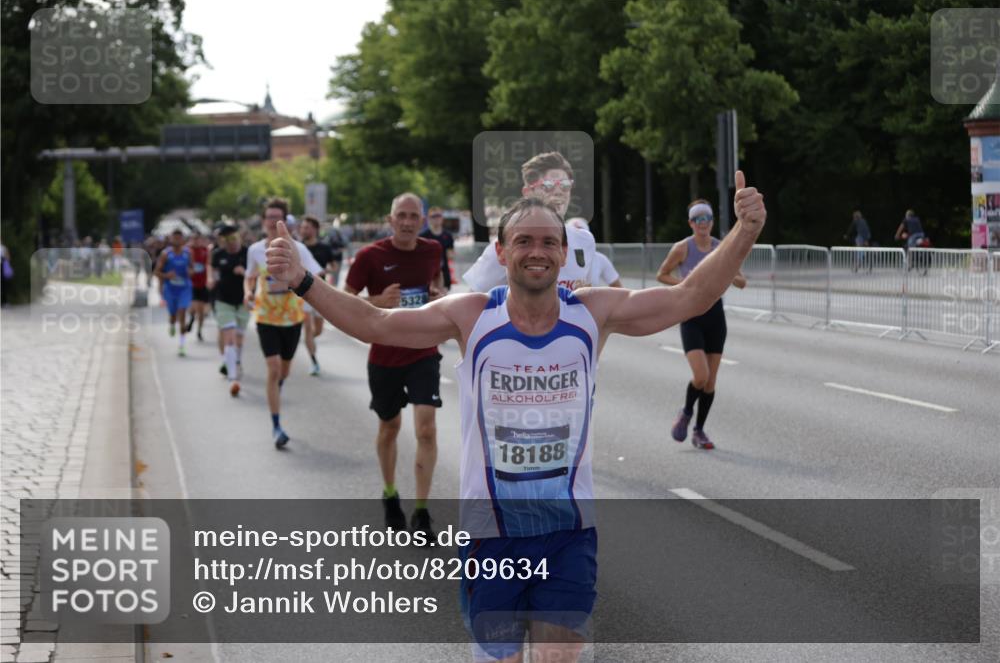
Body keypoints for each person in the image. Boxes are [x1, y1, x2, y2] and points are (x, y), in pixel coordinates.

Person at [265, 172, 767, 663]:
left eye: (548, 241)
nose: (536, 251)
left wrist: (745, 232)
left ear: (564, 253)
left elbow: (689, 297)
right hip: (491, 535)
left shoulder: (591, 313)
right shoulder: (471, 316)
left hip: (568, 533)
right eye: (523, 241)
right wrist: (303, 281)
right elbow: (374, 323)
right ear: (502, 252)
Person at [345, 193, 445, 536]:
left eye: (413, 216)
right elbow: (344, 300)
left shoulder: (433, 250)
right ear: (390, 220)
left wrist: (438, 296)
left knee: (426, 429)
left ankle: (422, 512)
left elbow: (438, 283)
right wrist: (377, 301)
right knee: (389, 427)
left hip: (423, 351)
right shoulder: (370, 256)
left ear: (422, 221)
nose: (407, 222)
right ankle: (390, 495)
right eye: (401, 215)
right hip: (385, 356)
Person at [656, 199, 746, 450]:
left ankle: (699, 431)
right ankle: (686, 412)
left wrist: (732, 275)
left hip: (715, 317)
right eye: (697, 219)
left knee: (710, 382)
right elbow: (662, 274)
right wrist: (686, 286)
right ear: (691, 223)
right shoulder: (682, 248)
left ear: (712, 222)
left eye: (706, 218)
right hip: (691, 316)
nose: (702, 223)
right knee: (700, 375)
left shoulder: (721, 248)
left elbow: (741, 280)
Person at [244, 198, 323, 447]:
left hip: (292, 318)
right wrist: (248, 292)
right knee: (274, 368)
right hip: (265, 316)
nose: (272, 221)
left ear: (285, 221)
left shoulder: (297, 249)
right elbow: (250, 276)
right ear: (263, 221)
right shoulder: (255, 250)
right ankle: (276, 426)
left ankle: (274, 391)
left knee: (284, 371)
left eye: (277, 217)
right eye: (268, 217)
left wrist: (295, 283)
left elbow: (317, 275)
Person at [463, 151, 599, 292]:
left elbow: (588, 294)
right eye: (548, 185)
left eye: (565, 185)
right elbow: (473, 298)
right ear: (527, 192)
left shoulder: (585, 240)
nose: (559, 192)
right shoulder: (508, 243)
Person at [209, 225, 249, 397]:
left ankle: (234, 361)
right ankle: (233, 378)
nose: (231, 242)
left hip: (243, 301)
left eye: (233, 238)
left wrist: (244, 272)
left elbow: (257, 275)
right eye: (226, 239)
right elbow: (213, 270)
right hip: (223, 300)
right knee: (230, 338)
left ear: (239, 237)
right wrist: (211, 279)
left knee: (239, 339)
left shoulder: (248, 253)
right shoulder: (218, 254)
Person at [298, 215, 338, 376]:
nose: (303, 230)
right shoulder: (298, 248)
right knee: (308, 328)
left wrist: (326, 271)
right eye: (302, 227)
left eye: (306, 227)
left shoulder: (324, 247)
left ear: (315, 229)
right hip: (303, 293)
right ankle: (314, 362)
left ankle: (308, 340)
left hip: (320, 292)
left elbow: (334, 266)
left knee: (318, 330)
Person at [153, 229, 194, 356]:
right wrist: (167, 275)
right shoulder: (166, 254)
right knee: (173, 315)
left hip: (184, 289)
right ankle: (171, 324)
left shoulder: (188, 253)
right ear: (171, 239)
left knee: (182, 313)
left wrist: (190, 272)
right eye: (174, 238)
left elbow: (192, 269)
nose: (177, 240)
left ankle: (182, 345)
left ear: (182, 239)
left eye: (179, 238)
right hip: (170, 289)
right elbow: (156, 272)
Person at [567, 218, 621, 287]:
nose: (578, 239)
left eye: (582, 235)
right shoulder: (558, 259)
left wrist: (597, 293)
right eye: (574, 235)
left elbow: (618, 287)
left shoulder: (600, 259)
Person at [420, 206, 456, 290]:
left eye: (438, 215)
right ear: (428, 219)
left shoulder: (448, 236)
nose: (436, 218)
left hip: (444, 273)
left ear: (442, 218)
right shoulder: (423, 236)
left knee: (445, 296)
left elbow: (450, 256)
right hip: (428, 276)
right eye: (433, 216)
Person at [187, 233, 211, 341]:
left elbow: (210, 264)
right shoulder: (187, 251)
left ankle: (199, 331)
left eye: (198, 239)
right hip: (191, 284)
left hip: (203, 284)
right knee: (194, 307)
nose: (196, 241)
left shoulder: (206, 251)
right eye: (194, 239)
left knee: (201, 311)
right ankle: (192, 317)